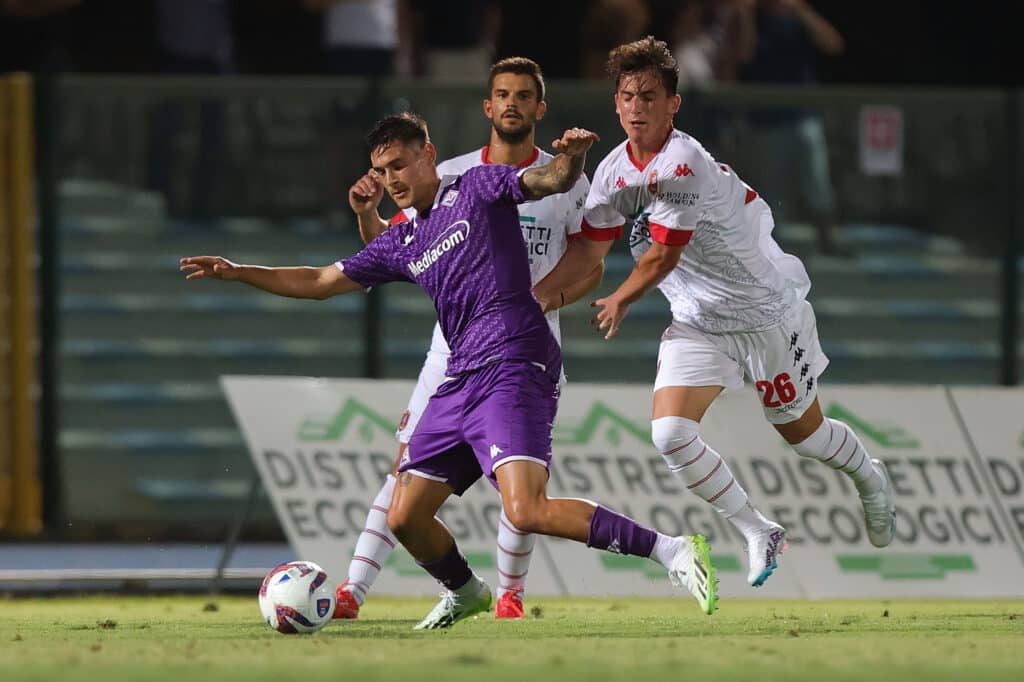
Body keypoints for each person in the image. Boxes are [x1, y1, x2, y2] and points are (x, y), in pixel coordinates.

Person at [181, 112, 719, 629]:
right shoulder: (402, 239)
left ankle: (670, 549)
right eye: (383, 170)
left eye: (400, 164)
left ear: (428, 156)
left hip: (514, 358)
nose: (392, 179)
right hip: (460, 376)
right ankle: (465, 592)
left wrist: (572, 160)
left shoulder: (478, 187)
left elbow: (549, 179)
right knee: (403, 516)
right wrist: (240, 271)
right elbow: (322, 280)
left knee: (526, 509)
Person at [534, 37, 897, 587]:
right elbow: (590, 247)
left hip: (762, 314)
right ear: (615, 104)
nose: (637, 106)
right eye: (628, 95)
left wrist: (620, 297)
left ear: (673, 104)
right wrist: (537, 296)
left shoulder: (684, 163)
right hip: (699, 322)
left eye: (650, 96)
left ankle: (870, 478)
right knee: (670, 434)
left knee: (804, 435)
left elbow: (661, 256)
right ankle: (757, 530)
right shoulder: (611, 172)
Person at [334, 57, 600, 622]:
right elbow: (397, 250)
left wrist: (541, 298)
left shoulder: (565, 178)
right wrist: (370, 214)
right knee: (405, 465)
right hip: (452, 348)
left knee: (519, 477)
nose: (512, 104)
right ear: (487, 106)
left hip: (525, 338)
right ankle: (353, 591)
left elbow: (590, 258)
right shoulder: (451, 173)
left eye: (524, 95)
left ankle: (508, 595)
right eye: (502, 93)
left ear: (539, 108)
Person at [732, 0, 848, 256]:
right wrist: (747, 16)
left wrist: (801, 12)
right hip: (767, 119)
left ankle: (827, 240)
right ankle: (771, 249)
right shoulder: (752, 17)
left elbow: (833, 45)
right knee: (772, 190)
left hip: (803, 113)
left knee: (817, 179)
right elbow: (744, 57)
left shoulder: (796, 16)